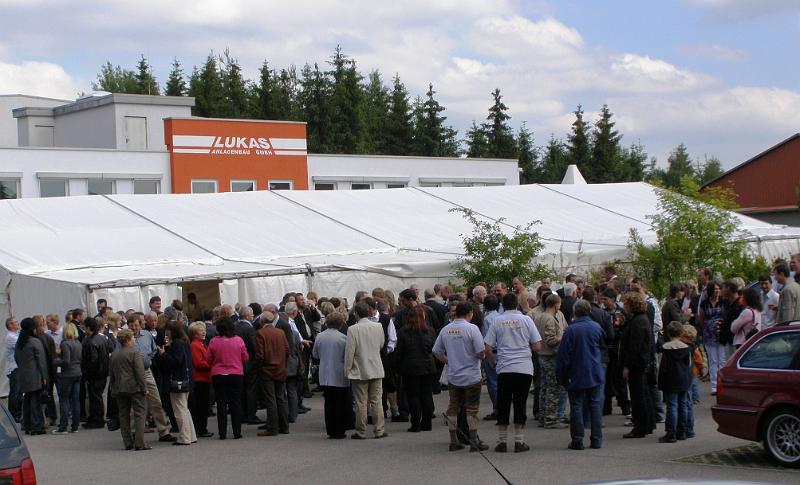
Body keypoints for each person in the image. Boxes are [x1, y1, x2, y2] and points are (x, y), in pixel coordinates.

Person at [485, 293, 542, 453]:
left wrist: (493, 362)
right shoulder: (526, 320)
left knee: (503, 403)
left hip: (504, 367)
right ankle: (519, 441)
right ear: (517, 304)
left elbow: (487, 348)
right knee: (520, 403)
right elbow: (537, 346)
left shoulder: (497, 320)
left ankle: (502, 442)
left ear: (502, 304)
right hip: (524, 368)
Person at [433, 301, 487, 452]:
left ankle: (453, 440)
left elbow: (436, 351)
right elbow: (480, 352)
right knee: (472, 409)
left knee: (453, 408)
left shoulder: (446, 329)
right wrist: (478, 357)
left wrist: (448, 361)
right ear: (469, 313)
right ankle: (474, 440)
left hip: (454, 376)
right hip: (471, 376)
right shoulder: (472, 328)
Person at [556, 300, 605, 450]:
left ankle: (578, 440)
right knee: (595, 405)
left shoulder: (571, 330)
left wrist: (561, 376)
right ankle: (596, 439)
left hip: (576, 372)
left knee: (576, 406)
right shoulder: (596, 328)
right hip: (594, 371)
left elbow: (563, 356)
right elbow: (603, 346)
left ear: (575, 312)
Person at [129, 314, 175, 442]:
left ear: (140, 324)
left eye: (136, 325)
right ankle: (134, 432)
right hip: (132, 373)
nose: (134, 328)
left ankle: (163, 431)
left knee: (156, 401)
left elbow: (154, 350)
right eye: (131, 326)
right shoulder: (125, 337)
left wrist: (148, 357)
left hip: (146, 371)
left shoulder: (147, 335)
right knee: (135, 403)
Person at [344, 301, 387, 440]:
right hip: (376, 367)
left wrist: (347, 370)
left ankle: (361, 431)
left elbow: (349, 352)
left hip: (359, 369)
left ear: (356, 313)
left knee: (361, 402)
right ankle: (379, 429)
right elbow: (381, 345)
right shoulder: (378, 326)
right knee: (377, 400)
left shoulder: (353, 329)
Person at [393, 304, 437, 433]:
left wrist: (397, 368)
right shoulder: (429, 330)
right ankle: (427, 423)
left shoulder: (403, 331)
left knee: (413, 396)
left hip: (410, 368)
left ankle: (416, 424)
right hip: (427, 367)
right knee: (426, 395)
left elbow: (399, 352)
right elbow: (431, 348)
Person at [207, 316, 249, 440]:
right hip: (236, 374)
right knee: (235, 403)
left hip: (218, 374)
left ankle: (222, 433)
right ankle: (237, 432)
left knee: (221, 403)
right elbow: (245, 357)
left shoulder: (214, 341)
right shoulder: (238, 340)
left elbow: (209, 359)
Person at [620, 292, 655, 439]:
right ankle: (647, 424)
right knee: (642, 393)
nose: (624, 306)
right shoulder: (640, 319)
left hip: (637, 363)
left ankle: (640, 426)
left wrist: (627, 366)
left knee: (638, 395)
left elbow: (634, 346)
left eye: (626, 304)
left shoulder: (638, 321)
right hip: (640, 362)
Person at [108, 329, 149, 451]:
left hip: (120, 388)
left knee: (124, 415)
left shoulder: (114, 354)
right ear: (127, 339)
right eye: (132, 338)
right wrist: (144, 387)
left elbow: (112, 373)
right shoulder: (134, 353)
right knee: (140, 413)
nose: (134, 340)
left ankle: (127, 442)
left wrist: (113, 388)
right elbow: (139, 373)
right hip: (134, 387)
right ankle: (139, 442)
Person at [312, 311, 350, 439]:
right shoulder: (344, 338)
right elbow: (347, 356)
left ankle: (331, 429)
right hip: (339, 374)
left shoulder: (320, 336)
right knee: (340, 403)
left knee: (329, 403)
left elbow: (315, 354)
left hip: (325, 373)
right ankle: (339, 430)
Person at [533, 293, 567, 429]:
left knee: (544, 387)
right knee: (553, 388)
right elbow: (551, 340)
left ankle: (543, 416)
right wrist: (562, 335)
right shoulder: (550, 319)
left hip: (541, 355)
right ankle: (551, 419)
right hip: (550, 356)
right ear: (556, 305)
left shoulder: (539, 317)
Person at [254, 310, 290, 437]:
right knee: (281, 398)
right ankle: (285, 426)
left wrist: (260, 368)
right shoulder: (280, 332)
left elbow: (259, 356)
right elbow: (287, 350)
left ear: (261, 321)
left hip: (267, 370)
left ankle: (272, 428)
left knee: (271, 399)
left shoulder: (260, 333)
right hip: (280, 369)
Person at [160, 321, 196, 446]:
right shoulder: (184, 342)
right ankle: (190, 435)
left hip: (177, 380)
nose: (166, 332)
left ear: (172, 331)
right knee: (184, 409)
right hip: (185, 379)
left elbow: (176, 361)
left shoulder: (177, 343)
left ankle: (184, 437)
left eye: (168, 330)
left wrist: (164, 353)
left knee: (179, 410)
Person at [657, 322, 692, 443]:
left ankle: (671, 432)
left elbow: (661, 366)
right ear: (681, 332)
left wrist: (660, 381)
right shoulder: (686, 348)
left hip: (670, 379)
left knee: (672, 406)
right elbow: (689, 364)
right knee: (683, 405)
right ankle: (682, 431)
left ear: (668, 333)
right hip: (683, 379)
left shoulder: (665, 348)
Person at [15, 318, 48, 435]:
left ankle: (26, 424)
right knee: (35, 401)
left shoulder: (19, 343)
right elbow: (41, 361)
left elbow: (17, 359)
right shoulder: (35, 342)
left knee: (27, 400)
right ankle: (36, 425)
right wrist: (44, 376)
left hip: (23, 376)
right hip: (35, 375)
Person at [234, 307, 263, 425]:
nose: (253, 317)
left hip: (239, 363)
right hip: (250, 363)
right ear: (247, 316)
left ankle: (242, 414)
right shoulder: (249, 328)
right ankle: (251, 415)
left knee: (241, 391)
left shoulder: (236, 326)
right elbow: (254, 346)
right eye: (251, 315)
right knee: (251, 390)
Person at [52, 323, 82, 434]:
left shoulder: (65, 344)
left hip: (67, 374)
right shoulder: (78, 343)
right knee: (75, 400)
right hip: (78, 372)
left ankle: (63, 427)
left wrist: (55, 361)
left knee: (64, 399)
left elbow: (66, 361)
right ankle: (75, 426)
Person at [81, 317, 110, 429]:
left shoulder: (90, 341)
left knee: (95, 397)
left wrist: (88, 374)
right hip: (103, 372)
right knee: (98, 396)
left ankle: (97, 419)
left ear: (88, 327)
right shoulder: (102, 339)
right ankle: (96, 418)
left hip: (95, 374)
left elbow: (93, 360)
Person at [188, 322, 214, 439]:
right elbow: (198, 363)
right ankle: (201, 429)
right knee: (201, 406)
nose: (203, 332)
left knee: (203, 405)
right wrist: (213, 363)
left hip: (205, 378)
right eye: (200, 330)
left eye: (204, 330)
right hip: (200, 379)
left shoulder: (202, 344)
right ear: (194, 333)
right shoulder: (195, 345)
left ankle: (202, 428)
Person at [481, 295, 501, 421]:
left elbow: (486, 340)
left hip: (491, 352)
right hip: (502, 352)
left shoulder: (486, 319)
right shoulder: (500, 318)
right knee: (501, 382)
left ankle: (497, 409)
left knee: (493, 383)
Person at [681, 324, 701, 437]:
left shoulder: (684, 348)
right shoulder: (695, 347)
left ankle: (687, 428)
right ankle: (690, 428)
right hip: (693, 373)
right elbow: (699, 360)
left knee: (686, 402)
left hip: (688, 374)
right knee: (689, 402)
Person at [5, 317, 22, 423]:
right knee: (15, 391)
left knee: (19, 391)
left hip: (17, 367)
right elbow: (21, 346)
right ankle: (14, 414)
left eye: (17, 321)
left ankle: (18, 412)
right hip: (14, 367)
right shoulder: (11, 337)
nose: (17, 323)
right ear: (10, 325)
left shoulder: (15, 335)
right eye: (15, 323)